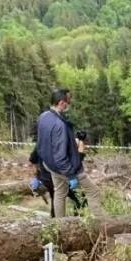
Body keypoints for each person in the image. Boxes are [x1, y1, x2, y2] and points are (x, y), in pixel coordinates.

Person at [35, 88, 99, 217]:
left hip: (50, 165)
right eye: (68, 101)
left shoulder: (44, 116)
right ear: (61, 103)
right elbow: (60, 156)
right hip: (64, 168)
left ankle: (60, 226)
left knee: (59, 193)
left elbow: (45, 141)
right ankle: (101, 225)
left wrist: (72, 140)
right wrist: (71, 176)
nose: (69, 104)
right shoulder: (59, 125)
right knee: (93, 192)